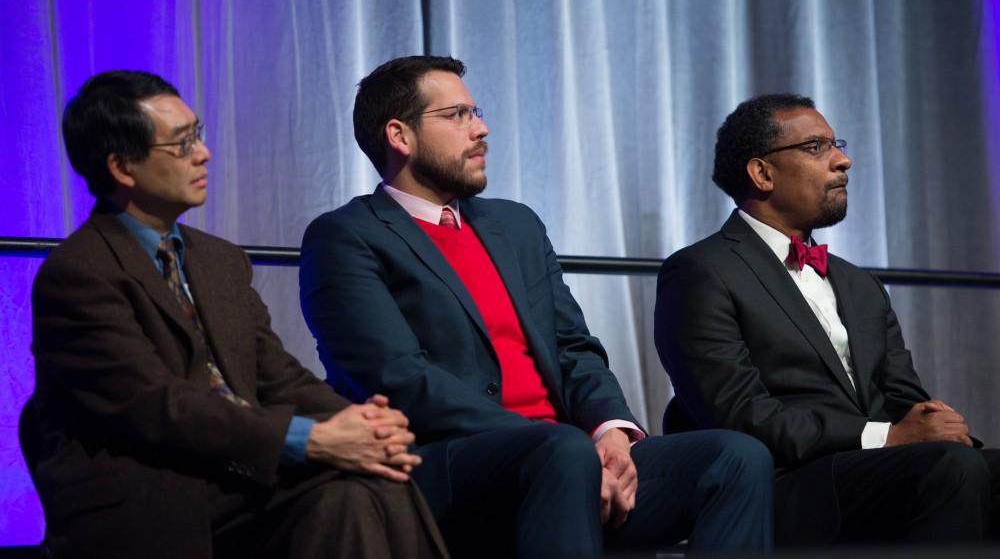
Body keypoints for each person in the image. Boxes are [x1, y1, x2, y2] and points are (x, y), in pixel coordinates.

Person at [299, 55, 773, 558]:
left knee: (735, 456)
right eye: (457, 115)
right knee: (561, 451)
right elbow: (399, 380)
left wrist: (611, 433)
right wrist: (567, 448)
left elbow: (572, 347)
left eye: (476, 111)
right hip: (447, 466)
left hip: (568, 454)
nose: (480, 128)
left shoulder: (516, 225)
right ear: (400, 135)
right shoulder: (346, 237)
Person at [19, 70, 447, 559]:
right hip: (155, 489)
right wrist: (312, 440)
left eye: (197, 135)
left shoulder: (218, 260)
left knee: (376, 475)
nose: (203, 154)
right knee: (344, 488)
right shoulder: (79, 274)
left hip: (240, 470)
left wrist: (360, 424)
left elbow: (279, 376)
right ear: (122, 167)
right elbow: (160, 408)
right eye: (181, 145)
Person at [655, 93, 1000, 544]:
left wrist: (932, 424)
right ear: (762, 173)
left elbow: (901, 393)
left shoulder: (860, 284)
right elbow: (739, 413)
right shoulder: (702, 270)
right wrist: (887, 437)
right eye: (817, 147)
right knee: (949, 470)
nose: (844, 160)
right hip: (786, 482)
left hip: (882, 467)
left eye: (836, 144)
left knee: (973, 464)